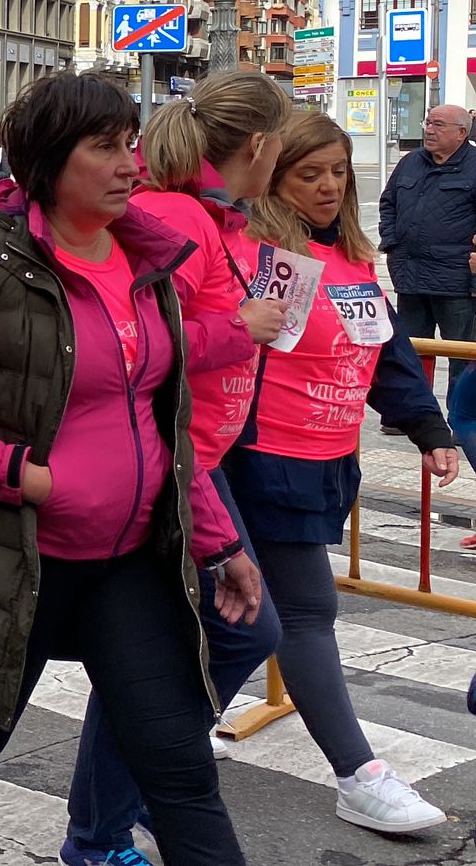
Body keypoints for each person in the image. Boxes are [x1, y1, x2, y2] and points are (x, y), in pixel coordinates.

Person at [0, 72, 257, 866]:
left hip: (128, 566)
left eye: (131, 143)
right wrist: (22, 476)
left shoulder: (148, 263)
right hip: (18, 563)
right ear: (51, 164)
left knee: (181, 771)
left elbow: (163, 425)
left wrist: (219, 543)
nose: (131, 163)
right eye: (106, 147)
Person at [58, 70, 292, 866]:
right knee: (222, 639)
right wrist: (244, 327)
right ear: (257, 147)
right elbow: (142, 348)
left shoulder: (219, 217)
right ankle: (107, 823)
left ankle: (123, 807)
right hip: (163, 463)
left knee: (186, 652)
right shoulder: (175, 213)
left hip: (200, 462)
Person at [230, 109, 458, 834]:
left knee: (230, 628)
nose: (329, 187)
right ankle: (359, 774)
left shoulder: (351, 256)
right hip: (266, 460)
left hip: (329, 461)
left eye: (336, 171)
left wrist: (428, 427)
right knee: (297, 617)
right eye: (308, 173)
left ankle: (130, 783)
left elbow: (383, 349)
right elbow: (236, 358)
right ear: (274, 177)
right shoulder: (272, 255)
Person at [377, 102, 476, 391]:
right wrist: (391, 243)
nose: (429, 130)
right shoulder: (411, 161)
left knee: (462, 355)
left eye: (438, 125)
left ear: (461, 132)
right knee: (409, 353)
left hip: (456, 281)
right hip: (410, 276)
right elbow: (388, 203)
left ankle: (463, 425)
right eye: (428, 123)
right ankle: (410, 416)